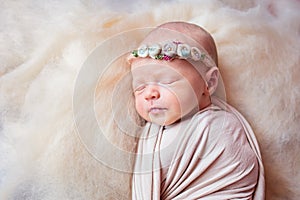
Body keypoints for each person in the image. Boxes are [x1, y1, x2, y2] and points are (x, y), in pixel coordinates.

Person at [128, 21, 265, 199]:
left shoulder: (221, 128)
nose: (150, 94)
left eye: (167, 81)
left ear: (209, 83)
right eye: (139, 87)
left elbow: (240, 171)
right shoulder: (151, 134)